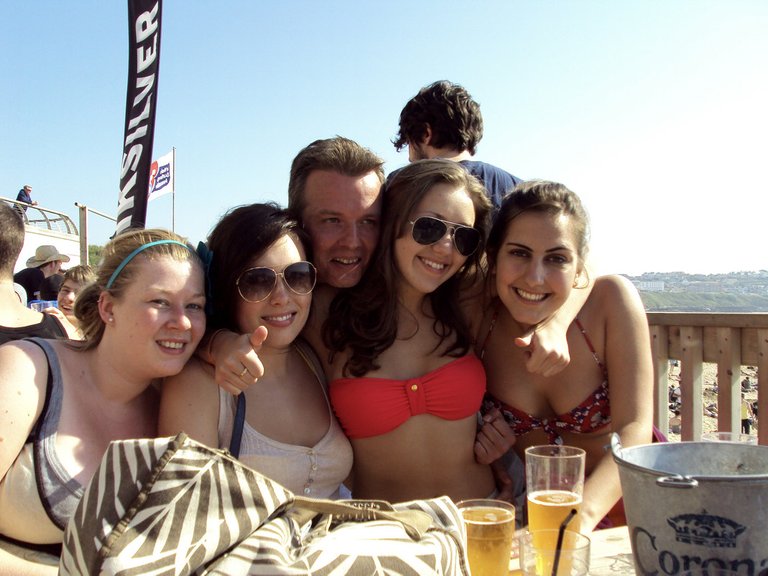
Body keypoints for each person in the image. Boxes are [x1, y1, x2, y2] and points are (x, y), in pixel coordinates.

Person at [0, 228, 206, 573]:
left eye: (195, 306)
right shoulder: (29, 370)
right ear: (109, 307)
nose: (182, 322)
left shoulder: (180, 403)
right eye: (159, 302)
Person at [303, 159, 496, 502]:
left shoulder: (470, 299)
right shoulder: (325, 311)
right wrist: (220, 342)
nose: (445, 248)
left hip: (484, 515)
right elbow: (233, 305)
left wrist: (554, 326)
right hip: (385, 530)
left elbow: (575, 273)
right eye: (429, 227)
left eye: (463, 236)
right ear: (392, 222)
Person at [475, 180, 653, 533]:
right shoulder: (478, 318)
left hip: (629, 506)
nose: (535, 277)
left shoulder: (610, 301)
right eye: (519, 253)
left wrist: (578, 521)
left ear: (578, 267)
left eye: (556, 258)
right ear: (494, 257)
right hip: (537, 516)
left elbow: (634, 430)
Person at [160, 204, 352, 498]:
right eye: (258, 281)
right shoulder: (198, 383)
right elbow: (185, 504)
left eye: (298, 275)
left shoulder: (316, 357)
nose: (281, 297)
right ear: (226, 289)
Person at [393, 80, 523, 211]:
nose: (409, 157)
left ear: (425, 134)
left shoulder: (401, 183)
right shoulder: (519, 190)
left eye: (408, 141)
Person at [0, 203, 68, 344]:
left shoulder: (29, 273)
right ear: (52, 263)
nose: (60, 267)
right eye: (59, 263)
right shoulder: (36, 275)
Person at [43, 265, 96, 339]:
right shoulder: (46, 330)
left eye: (79, 293)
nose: (69, 297)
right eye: (65, 290)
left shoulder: (100, 336)